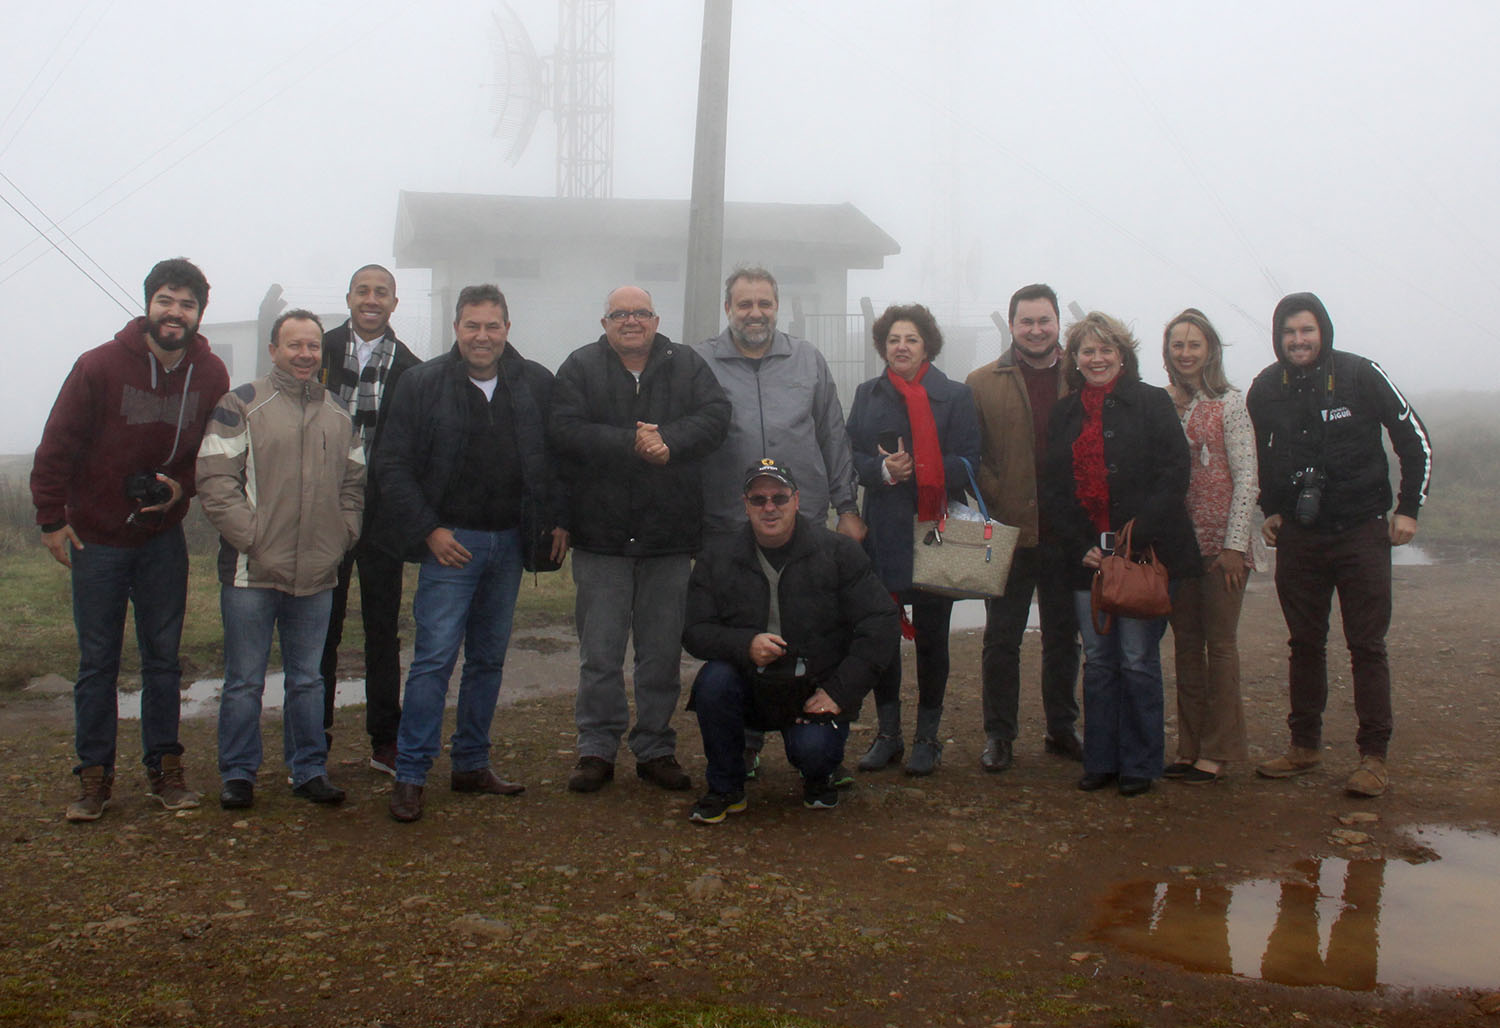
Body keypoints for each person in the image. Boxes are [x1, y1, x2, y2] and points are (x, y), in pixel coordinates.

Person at [31, 258, 230, 823]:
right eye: (166, 300)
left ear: (199, 314)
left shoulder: (210, 373)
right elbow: (56, 446)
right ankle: (94, 778)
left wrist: (180, 489)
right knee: (98, 663)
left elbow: (211, 455)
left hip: (161, 539)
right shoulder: (98, 366)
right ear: (148, 304)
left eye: (187, 304)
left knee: (164, 660)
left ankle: (165, 768)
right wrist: (50, 518)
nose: (175, 313)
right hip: (97, 539)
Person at [369, 284, 568, 822]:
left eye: (493, 326)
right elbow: (390, 466)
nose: (483, 336)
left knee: (488, 660)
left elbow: (555, 460)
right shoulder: (421, 384)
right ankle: (411, 774)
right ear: (456, 328)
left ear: (507, 328)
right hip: (450, 546)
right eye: (472, 326)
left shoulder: (535, 383)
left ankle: (471, 764)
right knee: (434, 660)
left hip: (509, 541)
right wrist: (430, 530)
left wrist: (557, 520)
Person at [1246, 292, 1431, 798]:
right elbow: (1257, 456)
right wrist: (1272, 509)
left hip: (1360, 530)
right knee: (1303, 645)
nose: (1298, 341)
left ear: (1323, 331)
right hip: (1302, 538)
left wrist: (1408, 508)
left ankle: (1374, 757)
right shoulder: (1265, 388)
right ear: (1278, 337)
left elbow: (1414, 439)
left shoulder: (1359, 374)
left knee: (1366, 646)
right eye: (1288, 332)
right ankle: (1303, 747)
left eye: (1306, 331)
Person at [550, 286, 730, 794]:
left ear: (655, 320)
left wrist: (668, 441)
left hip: (668, 539)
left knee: (660, 653)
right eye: (620, 314)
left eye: (641, 313)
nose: (631, 321)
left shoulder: (687, 364)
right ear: (604, 321)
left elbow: (716, 418)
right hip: (601, 538)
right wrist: (630, 440)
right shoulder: (580, 367)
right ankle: (596, 749)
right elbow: (563, 430)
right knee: (600, 653)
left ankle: (655, 747)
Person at [694, 265, 866, 782]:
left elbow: (832, 435)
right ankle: (742, 744)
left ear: (778, 306)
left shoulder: (807, 359)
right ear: (728, 309)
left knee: (812, 630)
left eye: (764, 303)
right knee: (742, 632)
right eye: (744, 304)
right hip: (729, 523)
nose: (755, 313)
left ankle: (818, 737)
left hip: (805, 518)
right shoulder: (700, 362)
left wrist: (848, 507)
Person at [197, 310, 365, 809]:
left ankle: (309, 768)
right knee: (245, 680)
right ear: (273, 349)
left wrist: (342, 536)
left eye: (312, 346)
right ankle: (238, 773)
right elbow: (215, 479)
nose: (304, 354)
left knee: (309, 679)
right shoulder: (241, 404)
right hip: (252, 572)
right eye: (294, 345)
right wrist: (252, 538)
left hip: (317, 572)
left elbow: (354, 485)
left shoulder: (338, 412)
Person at [682, 460, 899, 822]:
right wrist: (745, 644)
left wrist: (840, 693)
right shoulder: (716, 557)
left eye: (779, 498)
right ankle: (725, 787)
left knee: (814, 752)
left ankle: (820, 776)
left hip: (814, 691)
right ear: (745, 504)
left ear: (797, 500)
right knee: (713, 682)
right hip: (748, 684)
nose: (770, 507)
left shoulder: (840, 553)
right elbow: (694, 631)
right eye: (759, 499)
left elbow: (881, 624)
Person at [1040, 312, 1201, 797]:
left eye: (1106, 349)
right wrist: (1079, 545)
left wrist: (1136, 535)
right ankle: (1101, 759)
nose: (1097, 358)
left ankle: (1139, 762)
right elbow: (1054, 488)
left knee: (1136, 658)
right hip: (1085, 561)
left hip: (1144, 556)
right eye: (1088, 351)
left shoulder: (1151, 403)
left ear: (1122, 354)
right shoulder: (1065, 413)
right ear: (1076, 358)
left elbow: (1175, 472)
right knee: (1100, 661)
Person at [845, 304, 980, 776]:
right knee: (882, 633)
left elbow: (969, 462)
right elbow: (851, 455)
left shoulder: (954, 396)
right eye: (894, 340)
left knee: (931, 638)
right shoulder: (867, 394)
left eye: (912, 339)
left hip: (935, 529)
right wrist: (881, 470)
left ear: (928, 346)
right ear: (883, 346)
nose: (901, 347)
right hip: (883, 528)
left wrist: (923, 468)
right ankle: (888, 735)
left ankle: (927, 737)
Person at [964, 284, 1083, 774]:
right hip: (1007, 530)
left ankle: (1061, 727)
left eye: (1045, 321)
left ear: (1059, 324)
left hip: (1066, 531)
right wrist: (997, 494)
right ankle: (999, 735)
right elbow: (973, 453)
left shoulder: (1081, 377)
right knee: (1002, 639)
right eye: (1026, 321)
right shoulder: (981, 381)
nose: (1036, 330)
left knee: (1063, 636)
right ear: (1011, 325)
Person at [317, 264, 421, 775]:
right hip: (322, 513)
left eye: (382, 292)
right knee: (323, 629)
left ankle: (386, 740)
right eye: (363, 291)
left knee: (382, 631)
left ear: (395, 303)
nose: (372, 299)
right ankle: (313, 742)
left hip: (382, 518)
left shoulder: (412, 368)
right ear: (349, 297)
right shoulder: (317, 350)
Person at [1160, 309, 1257, 785]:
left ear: (1210, 349)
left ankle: (1218, 751)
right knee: (1184, 647)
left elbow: (1246, 477)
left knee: (1219, 647)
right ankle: (1188, 745)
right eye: (1177, 344)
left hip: (1222, 546)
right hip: (1177, 544)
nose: (1185, 353)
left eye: (1194, 344)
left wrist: (1235, 544)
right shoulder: (1162, 404)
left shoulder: (1231, 403)